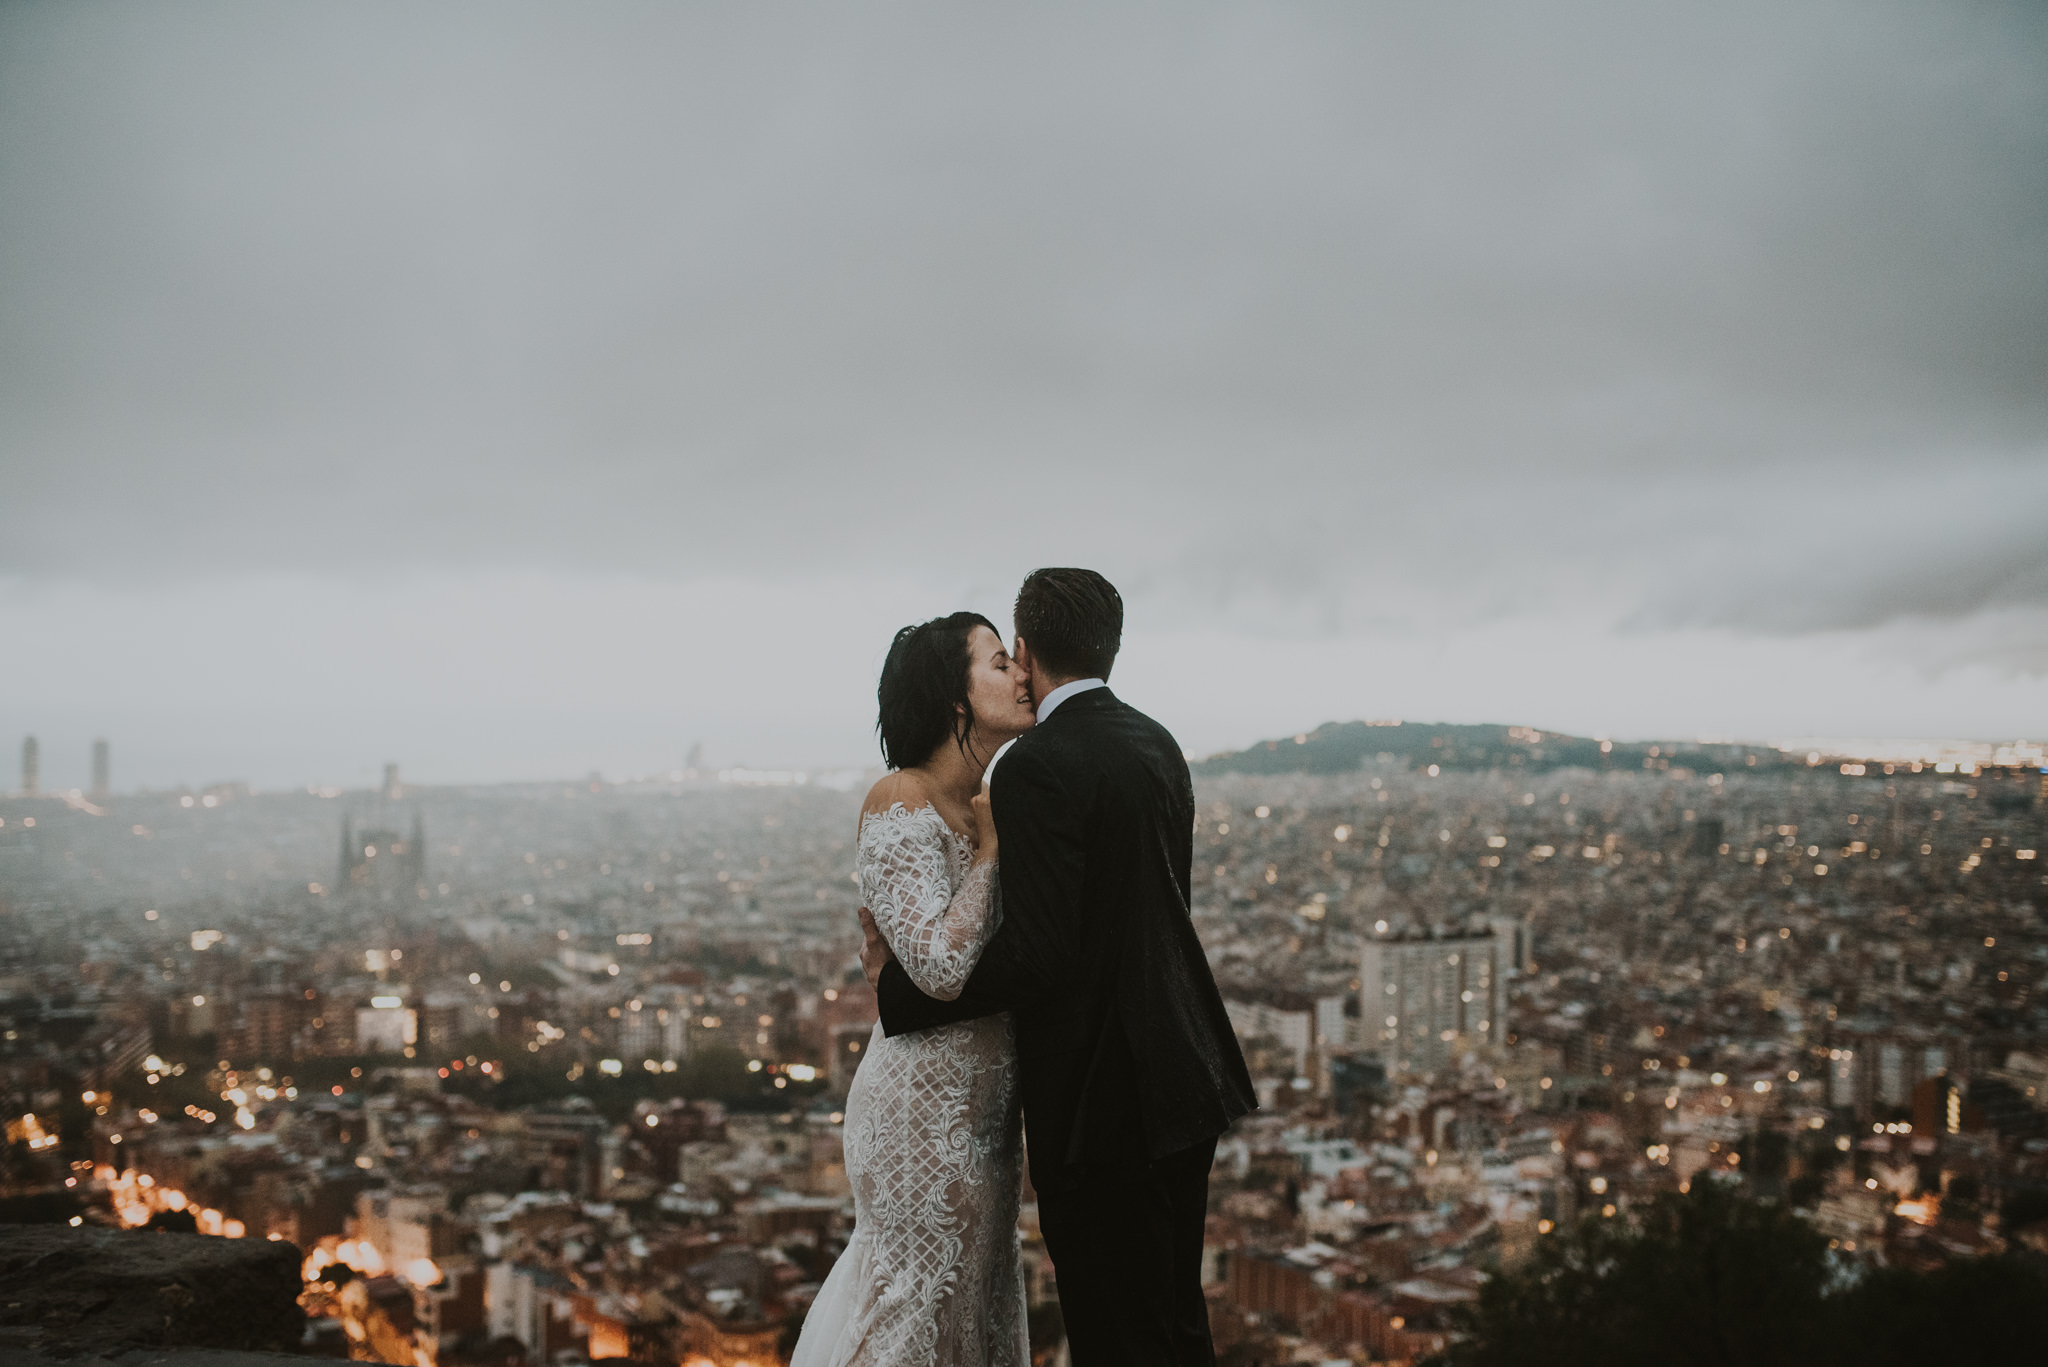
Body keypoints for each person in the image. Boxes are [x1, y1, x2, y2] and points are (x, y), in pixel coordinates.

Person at [860, 568, 1257, 1367]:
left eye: (1013, 656)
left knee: (1115, 1336)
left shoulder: (1035, 767)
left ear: (1033, 649)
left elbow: (1043, 951)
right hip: (1185, 1076)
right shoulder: (1157, 741)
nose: (1013, 671)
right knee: (1175, 1325)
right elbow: (1140, 919)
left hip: (1101, 1103)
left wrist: (900, 995)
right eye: (994, 661)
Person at [790, 610, 1038, 1367]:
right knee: (911, 1314)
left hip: (987, 1114)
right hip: (918, 1113)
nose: (1021, 674)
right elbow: (935, 966)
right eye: (999, 663)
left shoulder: (984, 803)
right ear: (954, 697)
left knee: (970, 1312)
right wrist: (993, 854)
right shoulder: (902, 795)